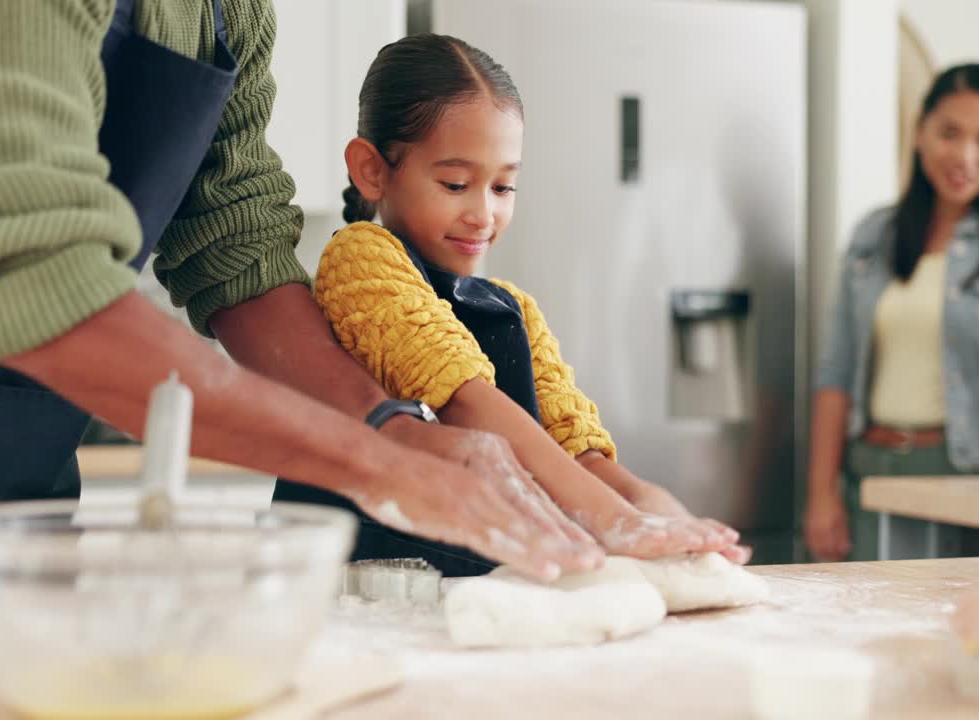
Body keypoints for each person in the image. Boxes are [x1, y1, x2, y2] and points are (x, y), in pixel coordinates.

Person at [0, 0, 616, 597]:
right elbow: (31, 271)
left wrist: (391, 430)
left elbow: (237, 240)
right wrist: (374, 463)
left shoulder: (227, 13)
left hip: (10, 513)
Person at [273, 34, 749, 576]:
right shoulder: (361, 260)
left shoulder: (513, 308)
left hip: (477, 586)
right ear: (372, 170)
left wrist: (650, 508)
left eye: (503, 188)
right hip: (361, 587)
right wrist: (612, 519)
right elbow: (466, 401)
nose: (483, 213)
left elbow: (575, 450)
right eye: (455, 184)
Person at [804, 63, 979, 562]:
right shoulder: (873, 238)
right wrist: (822, 495)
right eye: (950, 133)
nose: (966, 156)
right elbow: (835, 374)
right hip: (871, 475)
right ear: (919, 132)